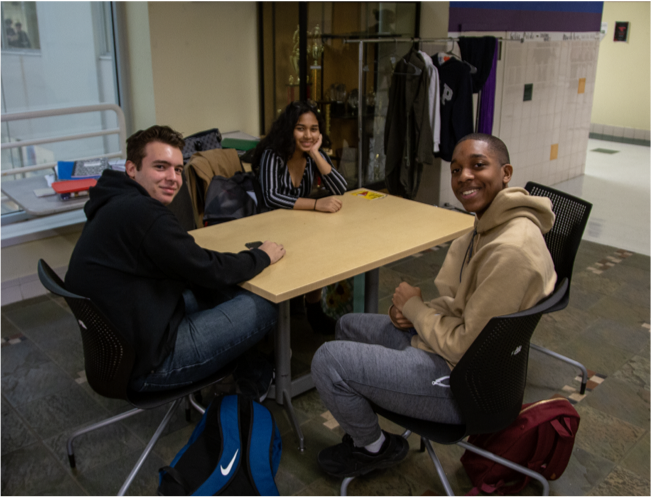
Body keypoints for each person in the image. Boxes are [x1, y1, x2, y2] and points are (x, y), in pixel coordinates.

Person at [311, 133, 557, 478]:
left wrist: (415, 309)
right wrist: (414, 310)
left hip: (464, 386)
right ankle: (372, 392)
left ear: (506, 172)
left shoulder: (510, 250)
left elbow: (465, 347)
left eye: (478, 165)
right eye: (456, 170)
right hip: (461, 355)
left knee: (327, 360)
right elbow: (464, 305)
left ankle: (373, 447)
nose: (464, 177)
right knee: (348, 324)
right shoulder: (495, 223)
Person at [66, 125, 286, 393]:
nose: (173, 178)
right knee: (267, 304)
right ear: (132, 168)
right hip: (149, 364)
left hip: (125, 342)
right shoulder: (143, 213)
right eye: (160, 167)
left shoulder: (114, 200)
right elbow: (207, 268)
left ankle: (251, 372)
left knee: (217, 291)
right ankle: (255, 384)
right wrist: (260, 256)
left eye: (178, 169)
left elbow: (192, 266)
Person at [252, 100, 347, 334]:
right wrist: (316, 204)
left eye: (314, 129)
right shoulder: (272, 154)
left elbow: (340, 187)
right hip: (268, 227)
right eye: (300, 128)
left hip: (297, 224)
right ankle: (281, 319)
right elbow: (272, 197)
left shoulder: (312, 154)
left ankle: (313, 309)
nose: (308, 135)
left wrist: (315, 153)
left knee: (323, 247)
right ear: (289, 130)